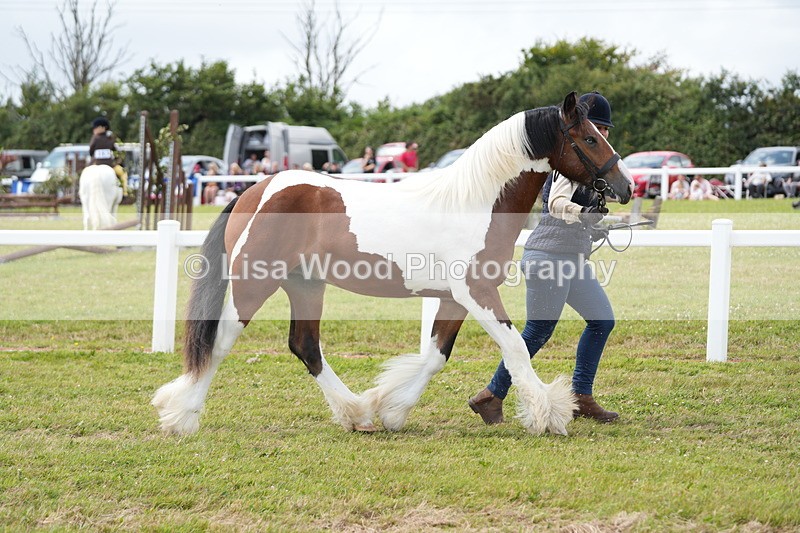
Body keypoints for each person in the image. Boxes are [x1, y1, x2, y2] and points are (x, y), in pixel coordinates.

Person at [468, 91, 621, 425]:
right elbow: (556, 205)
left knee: (601, 321)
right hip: (549, 256)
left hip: (570, 257)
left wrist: (596, 221)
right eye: (599, 127)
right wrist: (584, 213)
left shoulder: (588, 161)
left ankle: (581, 396)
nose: (604, 134)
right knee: (537, 331)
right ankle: (490, 394)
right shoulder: (571, 162)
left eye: (606, 128)